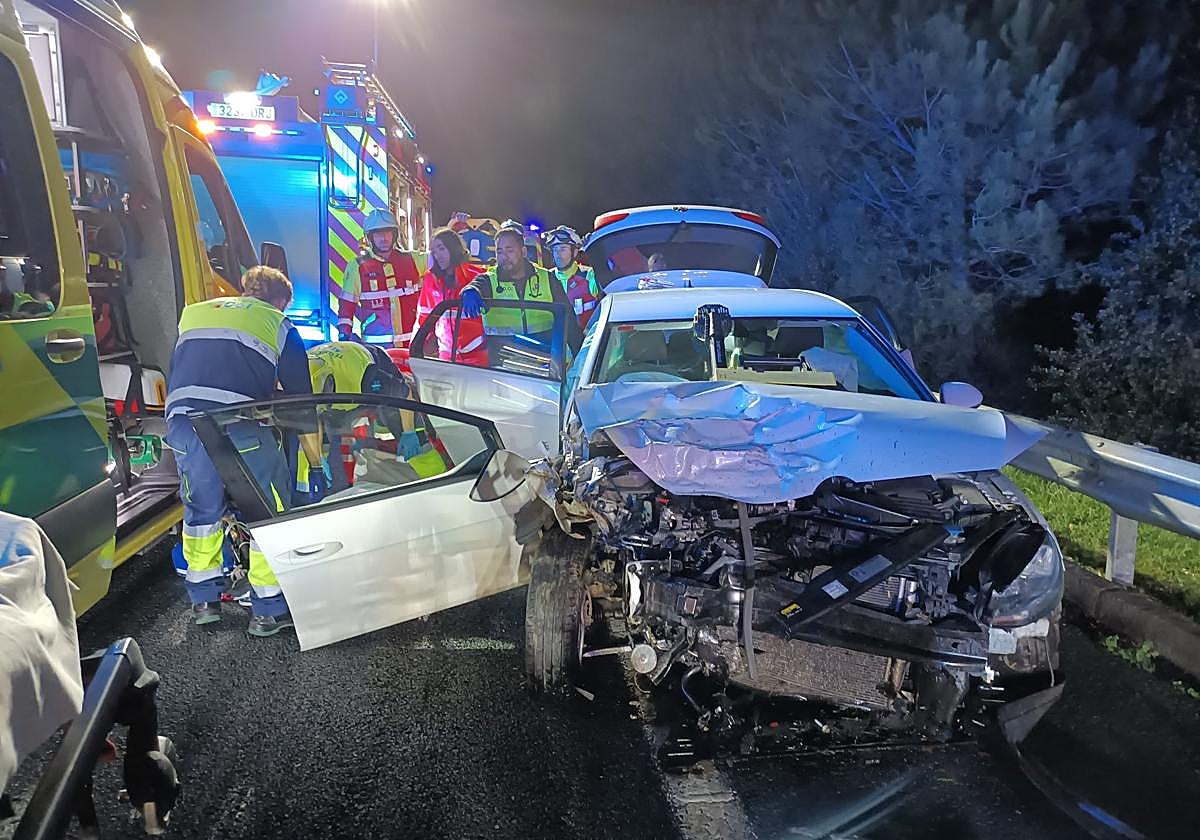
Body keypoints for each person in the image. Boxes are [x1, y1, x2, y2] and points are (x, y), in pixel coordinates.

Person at [164, 266, 317, 636]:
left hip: (184, 421)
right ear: (280, 301)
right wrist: (315, 460)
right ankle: (268, 609)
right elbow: (302, 399)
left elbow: (193, 369)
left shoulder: (196, 311)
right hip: (239, 422)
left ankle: (204, 601)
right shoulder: (278, 323)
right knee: (268, 511)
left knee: (202, 509)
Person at [460, 220, 582, 363]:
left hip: (545, 365)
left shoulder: (547, 278)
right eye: (499, 251)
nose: (504, 257)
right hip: (504, 368)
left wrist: (580, 360)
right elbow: (475, 286)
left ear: (523, 251)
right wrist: (469, 291)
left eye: (509, 250)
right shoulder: (489, 280)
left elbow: (570, 323)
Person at [335, 208, 423, 348]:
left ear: (394, 235)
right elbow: (347, 306)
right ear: (370, 237)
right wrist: (344, 336)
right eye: (378, 234)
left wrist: (454, 229)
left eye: (388, 232)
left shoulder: (413, 260)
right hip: (377, 350)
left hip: (411, 346)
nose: (384, 238)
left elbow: (442, 256)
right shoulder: (358, 266)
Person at [415, 227, 487, 366]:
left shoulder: (477, 276)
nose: (438, 256)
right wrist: (415, 348)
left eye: (442, 249)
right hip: (446, 356)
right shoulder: (432, 279)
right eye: (434, 252)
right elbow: (423, 318)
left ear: (453, 248)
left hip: (477, 355)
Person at [543, 225, 602, 329]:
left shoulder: (589, 275)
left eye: (563, 249)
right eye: (555, 249)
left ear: (574, 252)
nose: (558, 254)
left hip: (587, 341)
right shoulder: (547, 277)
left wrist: (594, 249)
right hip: (558, 342)